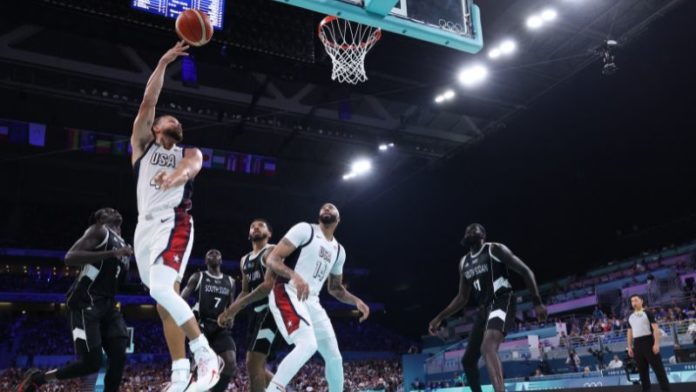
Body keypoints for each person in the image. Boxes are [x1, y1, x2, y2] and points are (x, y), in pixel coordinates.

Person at [130, 40, 221, 391]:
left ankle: (205, 355)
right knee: (163, 301)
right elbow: (148, 101)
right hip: (144, 229)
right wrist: (164, 61)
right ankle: (180, 374)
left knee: (164, 289)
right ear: (154, 128)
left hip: (175, 221)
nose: (174, 120)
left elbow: (190, 168)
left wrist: (174, 177)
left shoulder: (190, 152)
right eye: (169, 118)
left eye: (177, 121)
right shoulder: (143, 147)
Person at [17, 208, 132, 392]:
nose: (114, 210)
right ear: (100, 219)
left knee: (118, 356)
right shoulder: (99, 230)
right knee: (91, 364)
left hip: (108, 304)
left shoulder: (124, 245)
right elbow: (70, 258)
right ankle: (39, 378)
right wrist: (112, 254)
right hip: (85, 303)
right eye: (107, 210)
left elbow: (118, 282)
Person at [263, 203, 370, 392]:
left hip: (311, 300)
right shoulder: (305, 230)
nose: (327, 208)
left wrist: (356, 301)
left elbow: (335, 288)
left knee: (334, 358)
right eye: (324, 207)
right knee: (308, 344)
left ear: (339, 219)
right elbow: (272, 259)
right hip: (287, 290)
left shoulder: (339, 251)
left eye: (332, 207)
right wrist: (294, 276)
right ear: (319, 215)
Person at [428, 223, 547, 392]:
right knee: (468, 360)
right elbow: (462, 298)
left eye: (474, 228)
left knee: (487, 347)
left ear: (483, 234)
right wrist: (440, 317)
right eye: (467, 229)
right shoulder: (464, 262)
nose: (470, 230)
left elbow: (526, 271)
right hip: (484, 309)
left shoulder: (495, 249)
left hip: (502, 300)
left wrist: (537, 302)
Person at [217, 219, 280, 392]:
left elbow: (267, 287)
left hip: (271, 312)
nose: (256, 227)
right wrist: (231, 312)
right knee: (257, 366)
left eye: (261, 225)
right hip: (254, 315)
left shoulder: (272, 250)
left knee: (253, 364)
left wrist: (234, 309)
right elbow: (245, 291)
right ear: (249, 234)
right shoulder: (244, 259)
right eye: (252, 226)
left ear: (269, 233)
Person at [180, 249, 237, 392]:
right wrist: (190, 317)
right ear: (206, 261)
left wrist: (231, 318)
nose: (214, 254)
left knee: (230, 362)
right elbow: (180, 300)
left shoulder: (230, 281)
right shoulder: (198, 277)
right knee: (199, 365)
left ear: (221, 260)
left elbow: (232, 306)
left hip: (219, 326)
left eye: (217, 253)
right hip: (201, 325)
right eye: (210, 254)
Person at [627, 295, 670, 391]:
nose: (634, 302)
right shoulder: (630, 317)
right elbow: (629, 332)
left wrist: (656, 344)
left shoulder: (648, 313)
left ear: (641, 301)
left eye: (636, 300)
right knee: (643, 373)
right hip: (637, 344)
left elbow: (655, 329)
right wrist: (629, 346)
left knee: (659, 371)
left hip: (649, 342)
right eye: (632, 301)